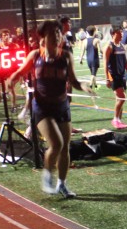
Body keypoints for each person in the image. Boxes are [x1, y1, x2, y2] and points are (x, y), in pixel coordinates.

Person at [7, 19, 83, 197]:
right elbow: (20, 72)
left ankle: (62, 184)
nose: (56, 36)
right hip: (42, 107)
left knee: (65, 148)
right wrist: (12, 79)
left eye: (58, 32)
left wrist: (84, 86)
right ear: (43, 37)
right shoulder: (35, 56)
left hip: (62, 106)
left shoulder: (66, 56)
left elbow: (73, 81)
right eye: (51, 33)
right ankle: (47, 176)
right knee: (56, 144)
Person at [103, 27, 127, 129]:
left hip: (122, 75)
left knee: (119, 98)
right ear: (113, 34)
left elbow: (125, 62)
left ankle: (119, 120)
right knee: (122, 97)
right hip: (113, 76)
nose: (121, 34)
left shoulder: (122, 46)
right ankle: (115, 119)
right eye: (119, 33)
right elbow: (105, 64)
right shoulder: (109, 46)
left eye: (122, 32)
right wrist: (107, 78)